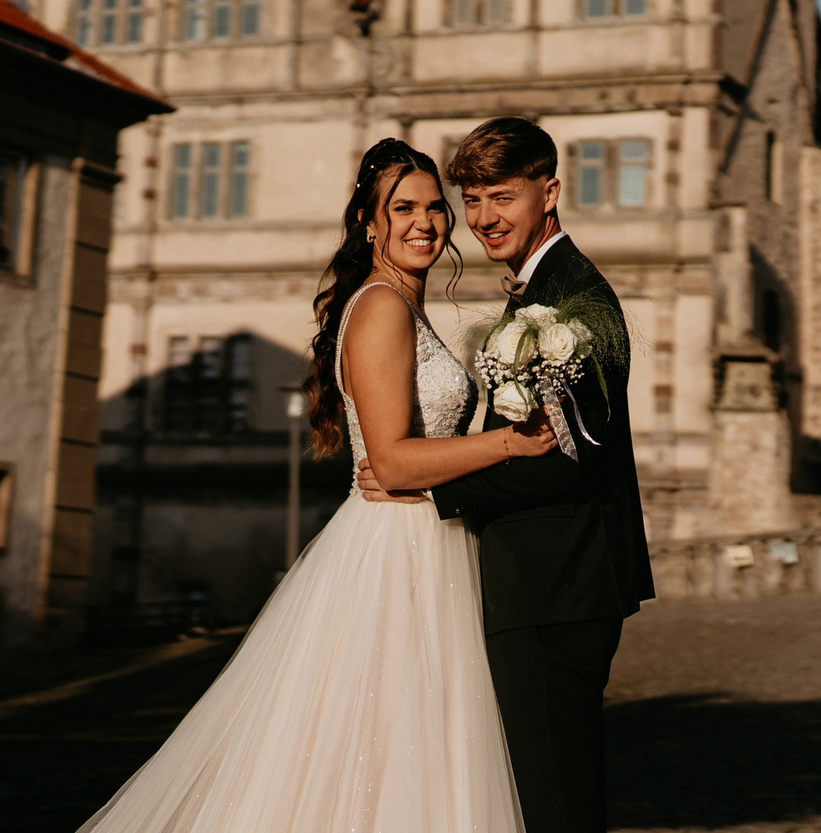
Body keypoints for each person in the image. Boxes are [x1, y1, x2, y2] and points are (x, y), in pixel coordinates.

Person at [73, 139, 553, 833]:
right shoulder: (383, 306)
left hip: (426, 534)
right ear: (368, 220)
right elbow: (388, 462)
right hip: (397, 550)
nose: (426, 222)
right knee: (382, 744)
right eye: (403, 208)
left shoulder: (399, 305)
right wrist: (513, 440)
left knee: (401, 747)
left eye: (433, 208)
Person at [358, 118, 653, 833]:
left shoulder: (575, 301)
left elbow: (566, 460)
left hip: (557, 581)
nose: (484, 217)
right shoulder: (537, 291)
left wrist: (429, 483)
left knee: (556, 797)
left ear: (548, 192)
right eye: (475, 199)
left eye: (502, 196)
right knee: (542, 792)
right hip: (544, 579)